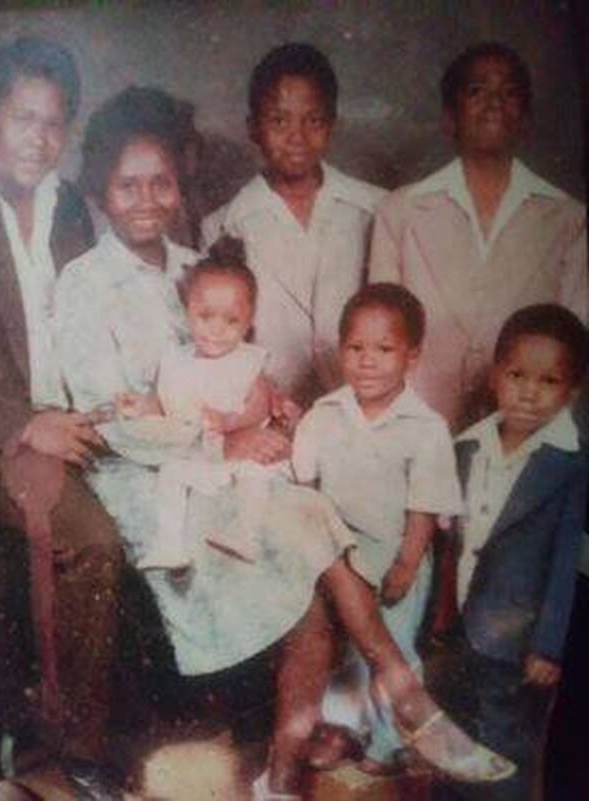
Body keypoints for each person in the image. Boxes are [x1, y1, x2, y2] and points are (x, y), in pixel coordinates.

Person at [55, 86, 514, 800]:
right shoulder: (83, 284)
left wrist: (270, 414)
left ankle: (300, 760)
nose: (147, 198)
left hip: (219, 469)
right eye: (127, 184)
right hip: (146, 485)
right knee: (311, 542)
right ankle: (401, 698)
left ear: (181, 185)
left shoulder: (195, 262)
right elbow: (109, 422)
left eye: (162, 182)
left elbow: (233, 369)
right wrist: (232, 445)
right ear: (99, 189)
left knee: (311, 531)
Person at [0, 37, 124, 800]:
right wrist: (27, 422)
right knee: (91, 541)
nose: (37, 139)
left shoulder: (72, 205)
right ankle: (70, 750)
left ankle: (63, 743)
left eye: (53, 124)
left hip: (67, 423)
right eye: (20, 118)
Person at [369, 41, 587, 432]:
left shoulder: (569, 218)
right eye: (477, 91)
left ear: (525, 120)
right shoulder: (399, 210)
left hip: (524, 428)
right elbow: (379, 331)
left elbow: (574, 339)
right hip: (417, 424)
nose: (493, 102)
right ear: (449, 118)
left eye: (509, 93)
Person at [292, 284, 463, 774]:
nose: (367, 362)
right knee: (344, 652)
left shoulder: (424, 426)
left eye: (384, 350)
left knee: (392, 650)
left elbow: (425, 507)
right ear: (340, 349)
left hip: (394, 557)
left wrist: (408, 562)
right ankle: (344, 729)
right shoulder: (325, 415)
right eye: (355, 348)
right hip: (337, 560)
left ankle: (390, 742)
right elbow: (304, 487)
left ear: (412, 355)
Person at [451, 304, 588, 800]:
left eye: (548, 381)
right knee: (457, 739)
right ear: (494, 376)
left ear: (572, 391)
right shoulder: (468, 447)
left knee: (505, 746)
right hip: (462, 627)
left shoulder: (571, 465)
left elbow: (565, 561)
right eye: (516, 375)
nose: (529, 392)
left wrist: (550, 645)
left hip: (517, 641)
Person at [203, 42, 388, 406]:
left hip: (360, 408)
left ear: (331, 125)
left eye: (313, 120)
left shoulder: (375, 208)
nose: (297, 137)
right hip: (268, 412)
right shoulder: (223, 227)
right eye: (278, 120)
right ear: (253, 127)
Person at [118, 236, 282, 570]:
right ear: (188, 311)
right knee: (171, 474)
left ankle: (244, 535)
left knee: (256, 476)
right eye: (205, 317)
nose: (216, 331)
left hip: (240, 454)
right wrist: (141, 407)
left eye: (231, 321)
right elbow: (164, 403)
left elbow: (260, 406)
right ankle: (170, 546)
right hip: (201, 458)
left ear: (248, 322)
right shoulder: (176, 360)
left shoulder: (247, 361)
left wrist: (228, 420)